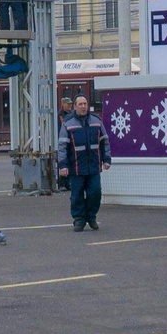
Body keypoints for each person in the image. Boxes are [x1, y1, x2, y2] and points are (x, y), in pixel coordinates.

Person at [60, 93, 106, 231]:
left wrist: (106, 159)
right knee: (76, 195)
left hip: (93, 166)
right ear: (75, 107)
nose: (83, 106)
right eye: (80, 104)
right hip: (76, 167)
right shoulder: (67, 124)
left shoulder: (97, 122)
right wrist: (63, 165)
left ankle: (91, 216)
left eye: (85, 104)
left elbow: (105, 142)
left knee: (95, 193)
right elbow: (62, 147)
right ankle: (79, 219)